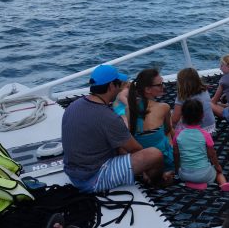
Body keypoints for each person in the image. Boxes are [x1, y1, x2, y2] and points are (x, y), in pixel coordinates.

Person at [62, 64, 163, 192]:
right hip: (93, 179)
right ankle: (155, 183)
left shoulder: (74, 105)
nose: (120, 88)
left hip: (73, 173)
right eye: (118, 84)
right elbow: (135, 149)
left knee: (120, 139)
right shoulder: (107, 117)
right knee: (155, 154)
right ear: (111, 86)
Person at [174, 99, 229, 192]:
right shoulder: (205, 134)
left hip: (184, 175)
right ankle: (224, 183)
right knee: (218, 172)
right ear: (202, 116)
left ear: (182, 116)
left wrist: (177, 169)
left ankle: (192, 183)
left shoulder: (178, 134)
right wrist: (217, 166)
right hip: (204, 174)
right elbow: (212, 154)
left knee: (188, 169)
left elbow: (176, 153)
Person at [125, 69, 175, 174]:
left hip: (142, 161)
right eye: (160, 84)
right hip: (163, 161)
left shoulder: (129, 109)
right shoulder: (164, 107)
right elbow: (168, 130)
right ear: (147, 89)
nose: (163, 86)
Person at [172, 67, 215, 132]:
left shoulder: (182, 97)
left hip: (197, 130)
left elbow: (175, 120)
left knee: (170, 119)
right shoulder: (204, 90)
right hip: (210, 127)